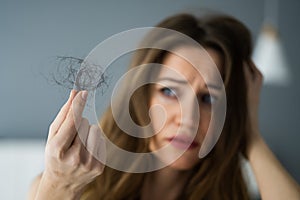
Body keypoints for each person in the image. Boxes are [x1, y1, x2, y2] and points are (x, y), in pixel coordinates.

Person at [28, 13, 300, 200]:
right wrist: (58, 185)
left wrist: (250, 134)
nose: (188, 120)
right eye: (169, 92)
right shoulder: (69, 185)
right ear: (142, 97)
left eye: (209, 99)